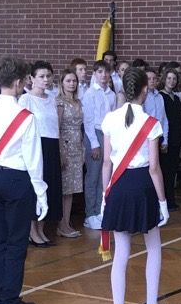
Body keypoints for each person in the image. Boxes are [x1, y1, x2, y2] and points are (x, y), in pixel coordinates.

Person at [100, 67, 172, 304]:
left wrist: (105, 196)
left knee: (121, 253)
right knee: (153, 246)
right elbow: (154, 167)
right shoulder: (151, 123)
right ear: (145, 90)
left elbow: (106, 162)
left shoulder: (110, 119)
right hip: (143, 186)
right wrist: (163, 202)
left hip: (118, 185)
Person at [0, 56, 48, 304]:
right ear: (18, 82)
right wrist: (41, 193)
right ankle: (9, 301)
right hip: (16, 179)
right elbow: (33, 159)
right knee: (17, 241)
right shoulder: (25, 117)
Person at [19, 60, 62, 245]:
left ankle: (41, 229)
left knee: (50, 186)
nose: (45, 79)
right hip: (36, 145)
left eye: (48, 76)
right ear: (32, 78)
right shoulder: (26, 99)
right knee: (36, 187)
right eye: (41, 76)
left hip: (52, 145)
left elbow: (56, 126)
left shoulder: (52, 98)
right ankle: (32, 231)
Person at [82, 60, 116, 229]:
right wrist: (94, 143)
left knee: (105, 175)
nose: (103, 75)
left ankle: (100, 210)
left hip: (108, 134)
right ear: (94, 74)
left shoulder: (112, 94)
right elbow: (88, 120)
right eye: (100, 72)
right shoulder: (90, 93)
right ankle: (90, 213)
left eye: (106, 72)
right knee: (93, 176)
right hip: (94, 134)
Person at [56, 69, 83, 237]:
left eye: (74, 81)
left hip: (77, 146)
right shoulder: (60, 102)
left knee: (72, 188)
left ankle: (66, 222)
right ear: (62, 83)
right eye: (68, 81)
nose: (72, 83)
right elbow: (57, 128)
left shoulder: (78, 102)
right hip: (66, 146)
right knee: (64, 188)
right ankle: (61, 224)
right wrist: (61, 151)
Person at [160, 67, 181, 209]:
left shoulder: (176, 98)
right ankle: (164, 200)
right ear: (164, 79)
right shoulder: (160, 96)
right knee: (165, 170)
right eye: (169, 78)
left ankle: (171, 199)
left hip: (176, 138)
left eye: (174, 79)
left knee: (172, 170)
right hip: (165, 139)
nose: (171, 81)